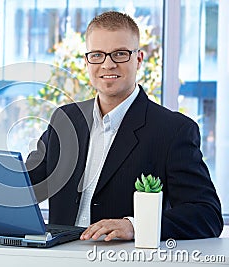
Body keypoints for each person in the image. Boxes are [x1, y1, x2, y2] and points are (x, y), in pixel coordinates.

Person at [25, 10, 223, 241]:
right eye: (97, 55)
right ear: (87, 61)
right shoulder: (65, 119)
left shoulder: (173, 130)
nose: (108, 65)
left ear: (138, 59)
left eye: (119, 54)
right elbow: (26, 187)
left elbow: (207, 214)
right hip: (57, 258)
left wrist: (134, 226)